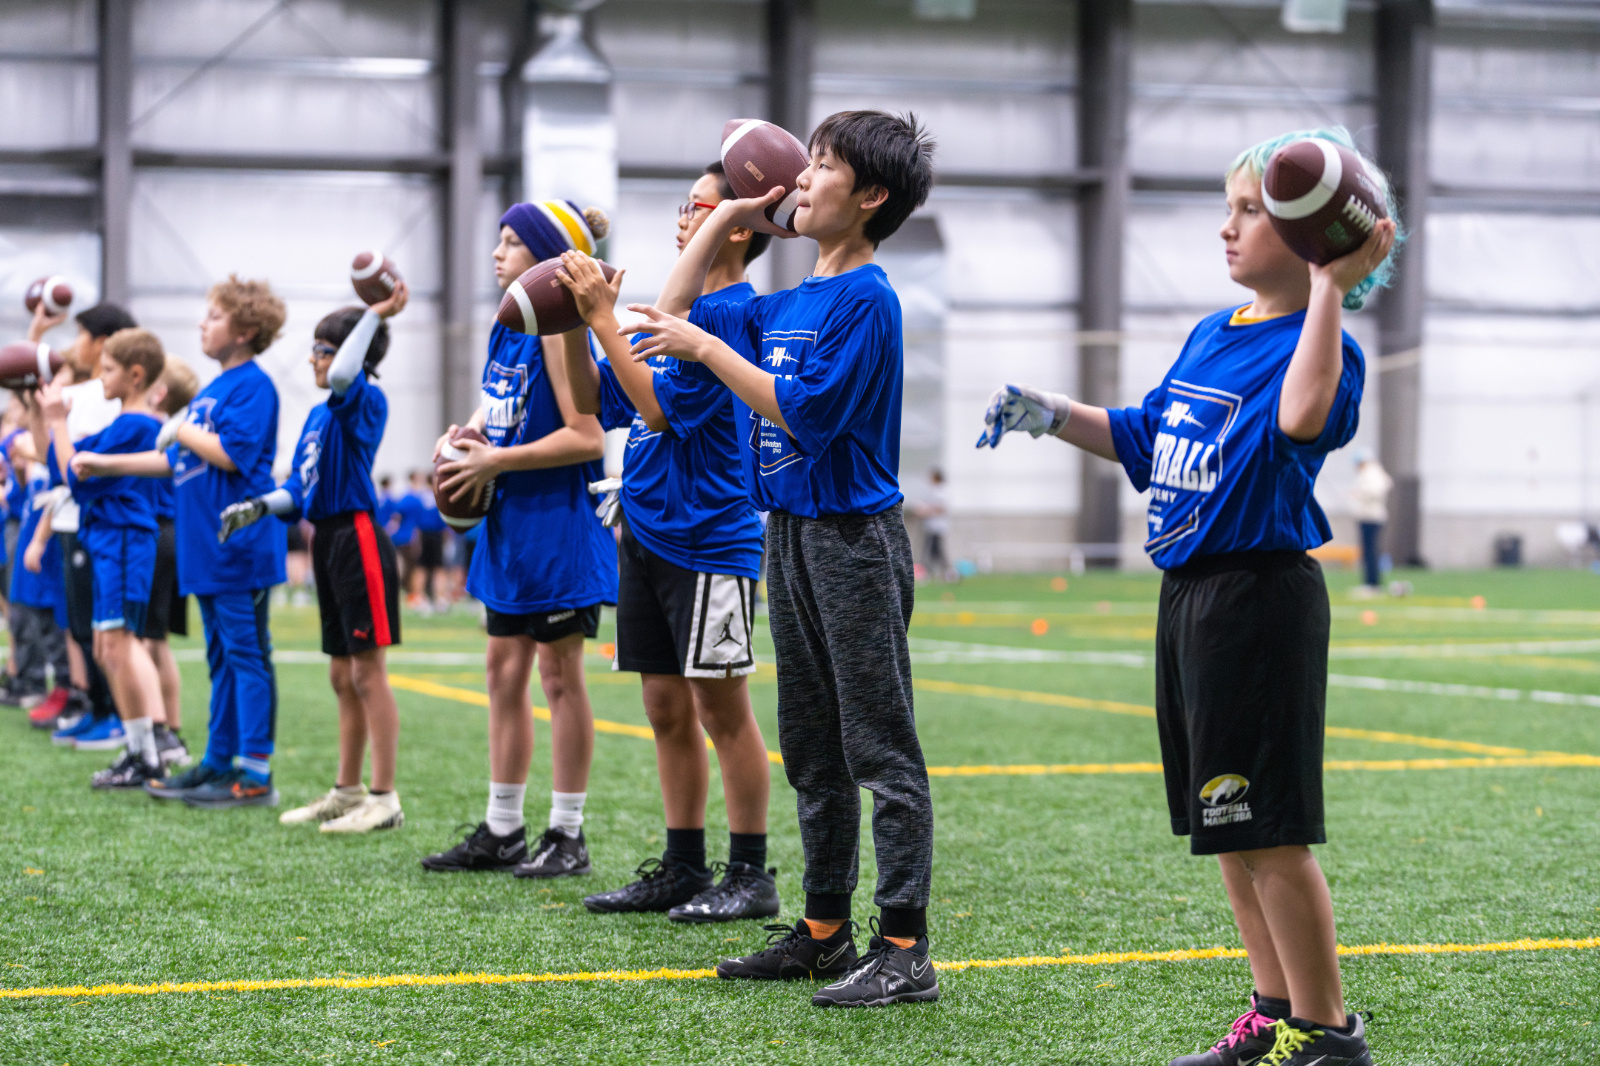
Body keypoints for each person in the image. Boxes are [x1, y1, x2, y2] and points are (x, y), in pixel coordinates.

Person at [977, 126, 1396, 1066]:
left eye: (1252, 211)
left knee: (1269, 829)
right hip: (1190, 597)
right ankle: (1274, 1012)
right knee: (1226, 826)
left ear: (1310, 234)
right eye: (1229, 208)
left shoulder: (1326, 343)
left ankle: (1327, 1033)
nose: (1227, 227)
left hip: (1259, 598)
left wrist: (1331, 285)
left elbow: (1301, 419)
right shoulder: (1213, 332)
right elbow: (1146, 435)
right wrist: (1053, 414)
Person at [626, 110, 939, 1007]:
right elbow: (671, 311)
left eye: (822, 165)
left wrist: (707, 348)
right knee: (810, 746)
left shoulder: (868, 299)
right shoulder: (786, 301)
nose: (801, 178)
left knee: (879, 747)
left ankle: (906, 947)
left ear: (871, 195)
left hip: (854, 541)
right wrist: (729, 215)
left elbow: (803, 412)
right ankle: (825, 931)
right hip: (790, 533)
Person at [554, 160, 778, 922]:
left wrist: (604, 320)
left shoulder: (728, 315)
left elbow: (653, 409)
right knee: (663, 706)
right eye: (684, 205)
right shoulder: (672, 310)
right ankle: (684, 866)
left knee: (722, 709)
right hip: (647, 534)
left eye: (700, 207)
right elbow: (593, 398)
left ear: (737, 227)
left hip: (709, 539)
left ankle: (750, 874)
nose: (683, 216)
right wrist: (573, 319)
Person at [419, 199, 617, 877]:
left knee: (559, 677)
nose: (497, 253)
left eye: (510, 242)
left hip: (558, 530)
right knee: (502, 674)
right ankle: (503, 827)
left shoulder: (559, 328)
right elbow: (500, 409)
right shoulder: (507, 328)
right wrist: (462, 436)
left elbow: (587, 437)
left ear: (544, 260)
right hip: (511, 531)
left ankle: (568, 833)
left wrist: (493, 461)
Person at [75, 275, 289, 809]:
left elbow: (232, 455)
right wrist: (105, 463)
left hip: (238, 547)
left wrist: (181, 428)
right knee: (221, 658)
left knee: (246, 655)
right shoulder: (215, 390)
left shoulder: (254, 386)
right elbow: (171, 460)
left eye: (214, 316)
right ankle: (218, 760)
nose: (202, 323)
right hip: (206, 550)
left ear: (245, 330)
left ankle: (255, 773)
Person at [220, 286, 410, 833]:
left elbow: (348, 372)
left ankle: (385, 798)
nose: (313, 359)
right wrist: (259, 507)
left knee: (368, 672)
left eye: (323, 350)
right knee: (341, 674)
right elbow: (300, 491)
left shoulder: (364, 397)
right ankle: (347, 791)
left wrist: (373, 314)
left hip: (357, 536)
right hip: (326, 539)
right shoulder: (316, 416)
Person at [47, 328, 169, 788]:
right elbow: (61, 461)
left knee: (118, 645)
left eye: (110, 368)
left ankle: (149, 753)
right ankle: (139, 750)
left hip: (122, 540)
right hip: (107, 540)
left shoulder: (138, 425)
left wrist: (58, 423)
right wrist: (49, 420)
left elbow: (76, 477)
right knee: (105, 647)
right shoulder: (122, 424)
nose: (101, 376)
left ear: (135, 375)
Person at [35, 303, 136, 752]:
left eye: (81, 334)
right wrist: (41, 408)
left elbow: (75, 467)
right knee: (80, 624)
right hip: (70, 518)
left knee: (99, 625)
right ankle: (97, 708)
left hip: (91, 519)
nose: (75, 345)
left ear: (102, 340)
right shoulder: (78, 391)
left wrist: (58, 422)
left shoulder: (103, 397)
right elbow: (48, 454)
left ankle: (114, 714)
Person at [141, 357, 200, 763]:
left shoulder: (156, 430)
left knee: (151, 640)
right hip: (170, 535)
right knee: (155, 639)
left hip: (160, 534)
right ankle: (168, 730)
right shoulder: (173, 431)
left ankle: (165, 731)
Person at [1349, 449, 1392, 591]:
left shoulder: (1372, 473)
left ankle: (1372, 584)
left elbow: (1376, 491)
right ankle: (1370, 582)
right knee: (1368, 552)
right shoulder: (1371, 473)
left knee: (1370, 552)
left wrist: (1359, 493)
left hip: (1371, 518)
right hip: (1367, 517)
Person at [916, 467, 951, 581]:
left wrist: (926, 511)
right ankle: (936, 572)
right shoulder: (934, 490)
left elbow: (941, 508)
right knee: (933, 551)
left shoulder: (939, 491)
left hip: (936, 527)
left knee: (935, 551)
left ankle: (947, 572)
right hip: (931, 526)